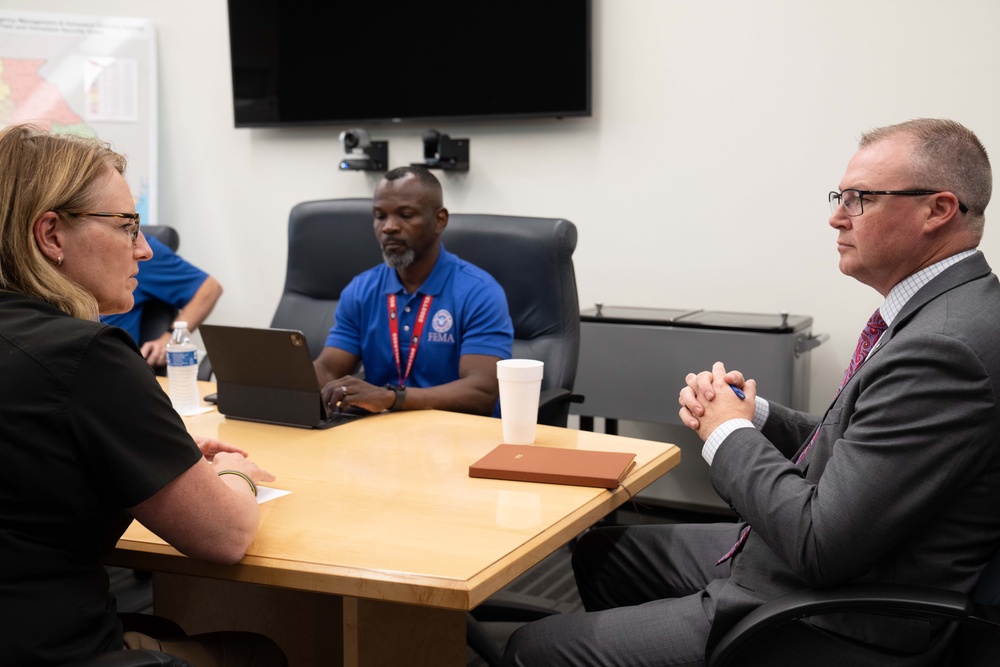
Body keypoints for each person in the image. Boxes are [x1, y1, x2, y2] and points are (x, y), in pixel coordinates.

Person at [502, 118, 1000, 666]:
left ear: (938, 209)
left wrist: (728, 433)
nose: (836, 216)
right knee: (606, 555)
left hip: (836, 614)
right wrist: (755, 416)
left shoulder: (945, 348)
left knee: (531, 649)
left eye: (860, 200)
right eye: (841, 197)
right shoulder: (944, 312)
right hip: (839, 560)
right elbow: (863, 446)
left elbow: (818, 545)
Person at [0, 124, 286, 666]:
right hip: (50, 651)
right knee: (259, 652)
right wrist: (236, 475)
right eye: (128, 226)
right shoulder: (87, 355)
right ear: (52, 235)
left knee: (164, 626)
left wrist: (156, 458)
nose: (146, 249)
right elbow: (225, 535)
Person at [314, 165, 513, 416]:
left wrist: (390, 398)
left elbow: (481, 392)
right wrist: (290, 379)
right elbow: (330, 368)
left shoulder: (479, 292)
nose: (389, 227)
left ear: (439, 220)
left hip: (455, 437)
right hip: (377, 434)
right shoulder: (360, 289)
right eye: (379, 215)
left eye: (405, 215)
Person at [101, 234, 223, 370]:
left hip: (113, 367)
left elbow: (209, 288)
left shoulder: (138, 252)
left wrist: (171, 337)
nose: (144, 250)